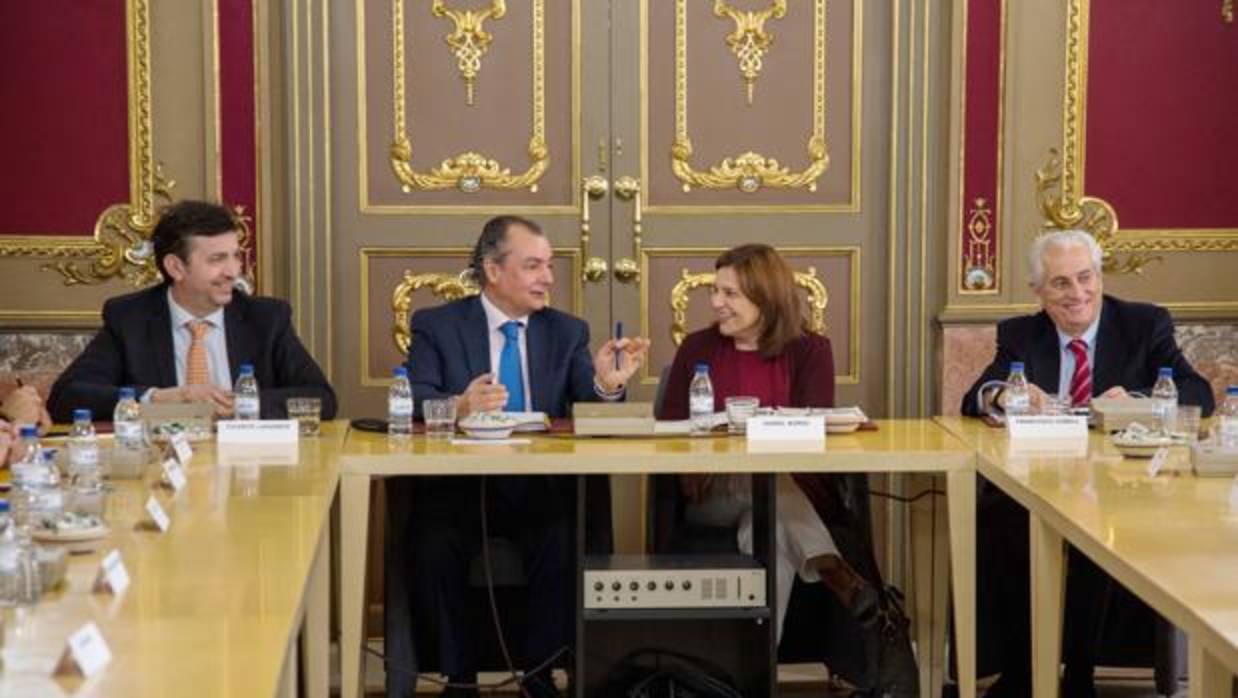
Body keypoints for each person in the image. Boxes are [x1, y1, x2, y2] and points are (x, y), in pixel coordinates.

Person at [397, 215, 649, 698]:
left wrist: (606, 384)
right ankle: (460, 678)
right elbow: (412, 399)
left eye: (549, 266)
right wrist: (458, 405)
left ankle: (540, 673)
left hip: (539, 485)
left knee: (562, 536)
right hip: (460, 486)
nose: (548, 278)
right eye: (533, 266)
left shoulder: (567, 330)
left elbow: (587, 409)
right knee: (433, 541)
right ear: (493, 270)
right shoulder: (437, 325)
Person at [962, 229, 1215, 697]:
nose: (1077, 294)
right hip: (1037, 482)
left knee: (1095, 531)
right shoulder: (1020, 333)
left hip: (1123, 487)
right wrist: (1006, 393)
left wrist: (1136, 400)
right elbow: (975, 397)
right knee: (997, 519)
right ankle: (1023, 673)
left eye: (1085, 277)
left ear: (1099, 277)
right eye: (1060, 283)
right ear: (1039, 291)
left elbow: (1198, 393)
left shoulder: (1144, 324)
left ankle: (1079, 677)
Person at [658, 244, 918, 697]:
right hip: (714, 493)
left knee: (770, 526)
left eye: (731, 293)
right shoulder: (698, 348)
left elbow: (811, 430)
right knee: (771, 493)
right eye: (716, 291)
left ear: (767, 297)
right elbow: (674, 429)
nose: (717, 302)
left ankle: (755, 681)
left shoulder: (809, 350)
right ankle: (837, 573)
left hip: (782, 491)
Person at [47, 200, 336, 423]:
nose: (233, 272)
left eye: (235, 256)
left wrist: (244, 404)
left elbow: (322, 399)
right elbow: (66, 398)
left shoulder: (266, 318)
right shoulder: (130, 318)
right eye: (216, 259)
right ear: (176, 267)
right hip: (160, 471)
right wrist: (161, 398)